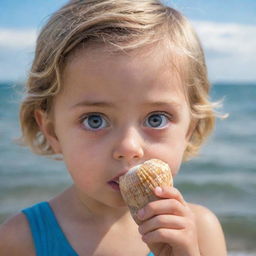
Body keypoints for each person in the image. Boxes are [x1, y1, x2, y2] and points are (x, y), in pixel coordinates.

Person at [0, 0, 227, 255]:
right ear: (52, 131)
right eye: (94, 120)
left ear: (189, 129)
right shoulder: (21, 240)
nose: (129, 148)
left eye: (156, 119)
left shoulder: (201, 232)